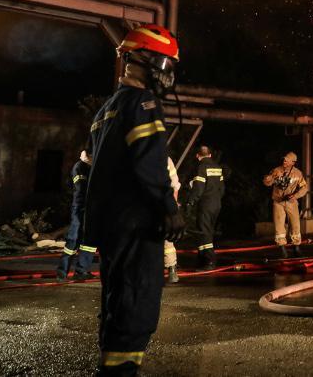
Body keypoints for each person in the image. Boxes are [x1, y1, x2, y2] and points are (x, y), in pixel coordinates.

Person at [83, 23, 185, 375]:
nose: (168, 75)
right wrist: (169, 208)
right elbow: (149, 161)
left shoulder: (105, 112)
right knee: (137, 298)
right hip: (137, 223)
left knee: (116, 298)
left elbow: (90, 171)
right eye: (167, 65)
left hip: (112, 226)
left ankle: (110, 367)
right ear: (144, 59)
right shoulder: (143, 103)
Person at [56, 150, 97, 281]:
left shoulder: (93, 168)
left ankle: (82, 270)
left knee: (89, 241)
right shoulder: (79, 167)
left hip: (91, 209)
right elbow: (81, 188)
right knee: (73, 238)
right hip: (80, 207)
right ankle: (62, 272)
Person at [185, 145, 225, 269]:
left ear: (198, 156)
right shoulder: (218, 168)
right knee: (206, 230)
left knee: (204, 231)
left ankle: (210, 260)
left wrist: (190, 202)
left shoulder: (201, 167)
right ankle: (202, 258)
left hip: (205, 204)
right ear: (210, 155)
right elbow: (222, 188)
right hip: (216, 204)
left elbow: (198, 188)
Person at [262, 151, 308, 258]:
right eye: (284, 159)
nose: (284, 162)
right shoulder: (277, 170)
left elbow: (304, 188)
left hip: (292, 202)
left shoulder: (298, 173)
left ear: (293, 162)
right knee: (279, 226)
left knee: (295, 225)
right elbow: (267, 183)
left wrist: (295, 195)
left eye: (287, 160)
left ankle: (296, 247)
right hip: (278, 202)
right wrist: (269, 178)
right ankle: (282, 249)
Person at [165, 157, 181, 283]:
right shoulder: (165, 157)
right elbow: (174, 184)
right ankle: (172, 270)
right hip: (163, 202)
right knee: (167, 239)